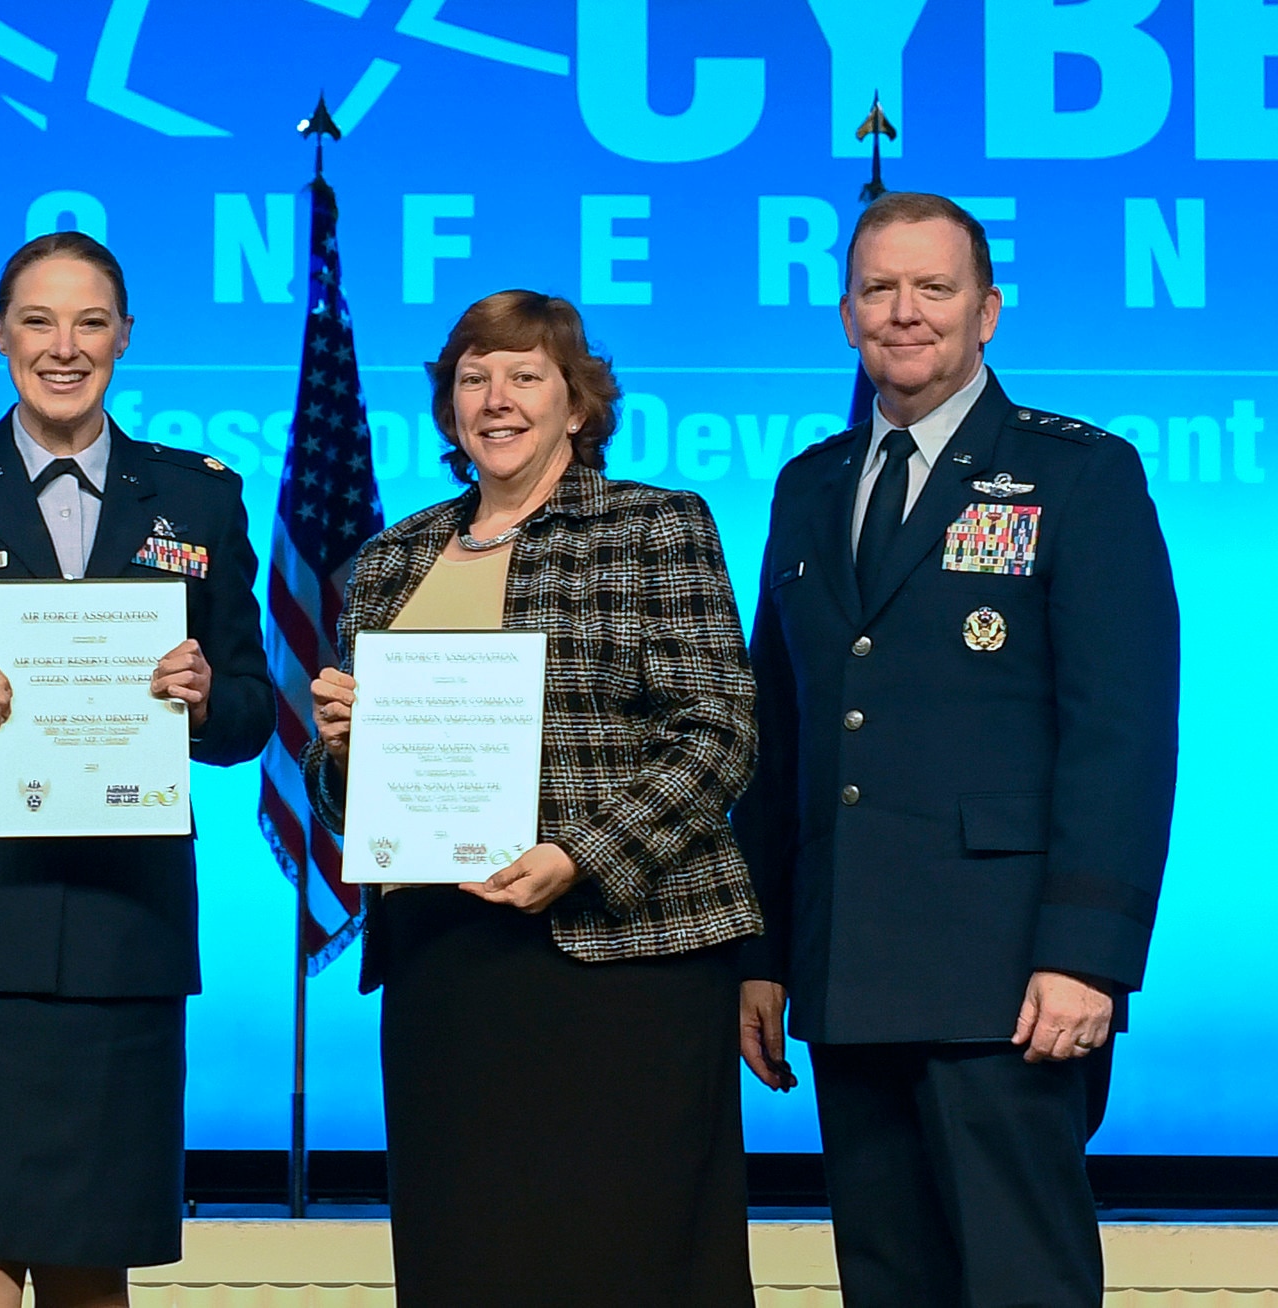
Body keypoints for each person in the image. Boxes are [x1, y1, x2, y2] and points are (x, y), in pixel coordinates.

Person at [733, 193, 1179, 1308]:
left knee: (1018, 1281)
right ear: (844, 315)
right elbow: (777, 735)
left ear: (985, 311)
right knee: (887, 1283)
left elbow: (1120, 734)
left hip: (1007, 977)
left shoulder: (1078, 476)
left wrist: (1087, 956)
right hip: (844, 969)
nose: (904, 313)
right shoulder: (808, 484)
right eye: (879, 289)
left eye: (933, 289)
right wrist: (763, 948)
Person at [0, 231, 274, 1308]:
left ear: (125, 336)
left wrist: (207, 698)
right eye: (38, 320)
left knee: (91, 1254)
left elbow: (258, 710)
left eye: (88, 322)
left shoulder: (200, 499)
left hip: (121, 930)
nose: (62, 347)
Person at [303, 290, 763, 1307]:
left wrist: (580, 857)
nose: (495, 399)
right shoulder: (392, 559)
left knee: (628, 1261)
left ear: (576, 402)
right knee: (466, 1261)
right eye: (473, 377)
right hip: (446, 972)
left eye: (523, 376)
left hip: (619, 964)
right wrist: (342, 752)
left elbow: (718, 731)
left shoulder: (653, 526)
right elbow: (352, 806)